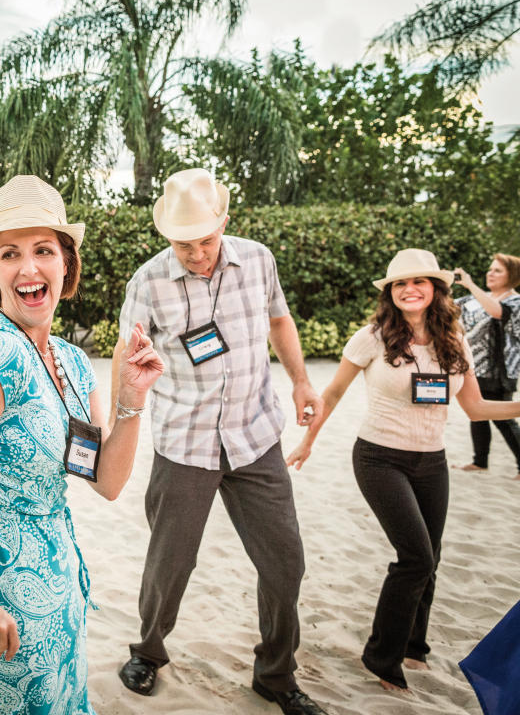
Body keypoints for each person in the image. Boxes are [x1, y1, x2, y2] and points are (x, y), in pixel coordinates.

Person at [0, 175, 164, 714]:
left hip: (61, 573)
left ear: (66, 263)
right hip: (2, 593)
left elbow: (108, 482)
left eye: (44, 250)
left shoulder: (68, 358)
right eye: (10, 253)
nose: (28, 268)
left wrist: (130, 398)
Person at [115, 168, 329, 715]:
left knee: (285, 562)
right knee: (170, 562)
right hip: (184, 442)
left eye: (205, 241)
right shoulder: (147, 281)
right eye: (183, 244)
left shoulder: (257, 259)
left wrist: (302, 380)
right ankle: (149, 653)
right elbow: (125, 355)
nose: (196, 254)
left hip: (255, 433)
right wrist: (126, 403)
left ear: (225, 225)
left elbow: (280, 321)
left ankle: (276, 675)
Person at [286, 248, 520, 692]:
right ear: (391, 294)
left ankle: (415, 647)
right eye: (400, 284)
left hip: (432, 461)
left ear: (435, 290)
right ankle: (382, 659)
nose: (409, 290)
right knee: (415, 557)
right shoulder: (372, 337)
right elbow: (332, 394)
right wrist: (308, 441)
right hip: (379, 457)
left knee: (430, 560)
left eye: (419, 282)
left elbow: (473, 408)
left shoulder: (455, 339)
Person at [451, 253, 520, 479]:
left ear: (513, 275)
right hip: (473, 367)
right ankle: (480, 462)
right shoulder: (477, 298)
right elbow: (449, 309)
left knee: (503, 419)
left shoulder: (516, 302)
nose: (491, 273)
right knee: (476, 414)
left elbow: (497, 312)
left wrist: (470, 284)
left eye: (498, 270)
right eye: (490, 269)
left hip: (501, 371)